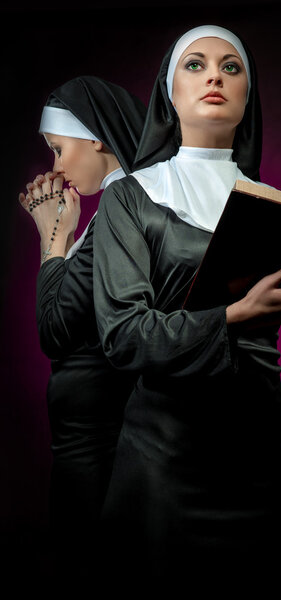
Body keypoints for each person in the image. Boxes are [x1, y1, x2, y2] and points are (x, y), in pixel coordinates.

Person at [92, 26, 281, 596]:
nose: (214, 75)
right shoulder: (130, 196)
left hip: (256, 463)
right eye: (195, 65)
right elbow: (124, 336)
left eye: (231, 67)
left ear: (248, 96)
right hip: (164, 458)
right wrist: (235, 316)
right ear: (170, 91)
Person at [18, 76, 146, 588]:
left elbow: (55, 330)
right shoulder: (114, 210)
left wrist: (52, 236)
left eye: (59, 149)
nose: (56, 168)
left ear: (95, 137)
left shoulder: (119, 209)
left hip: (97, 443)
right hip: (89, 437)